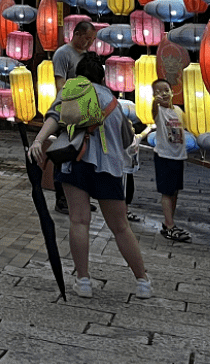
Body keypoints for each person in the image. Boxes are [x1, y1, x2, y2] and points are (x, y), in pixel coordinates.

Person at [28, 54, 152, 301]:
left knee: (79, 221)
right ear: (102, 76)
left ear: (78, 74)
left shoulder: (71, 91)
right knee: (120, 227)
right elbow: (128, 141)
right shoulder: (113, 103)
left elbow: (54, 116)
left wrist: (39, 140)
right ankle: (143, 282)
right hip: (108, 168)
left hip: (76, 163)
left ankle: (83, 281)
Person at [50, 20, 99, 213]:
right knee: (65, 153)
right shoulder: (63, 54)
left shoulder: (87, 56)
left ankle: (80, 198)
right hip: (69, 110)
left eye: (92, 40)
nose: (89, 43)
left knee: (83, 155)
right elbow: (60, 85)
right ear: (76, 34)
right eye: (87, 38)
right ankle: (61, 199)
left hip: (86, 111)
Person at [138, 78, 191, 242]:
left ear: (172, 91)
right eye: (158, 92)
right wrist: (155, 102)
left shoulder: (177, 110)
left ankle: (169, 222)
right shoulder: (159, 111)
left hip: (178, 156)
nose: (163, 94)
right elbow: (154, 110)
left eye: (166, 90)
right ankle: (170, 226)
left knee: (174, 192)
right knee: (167, 192)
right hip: (164, 157)